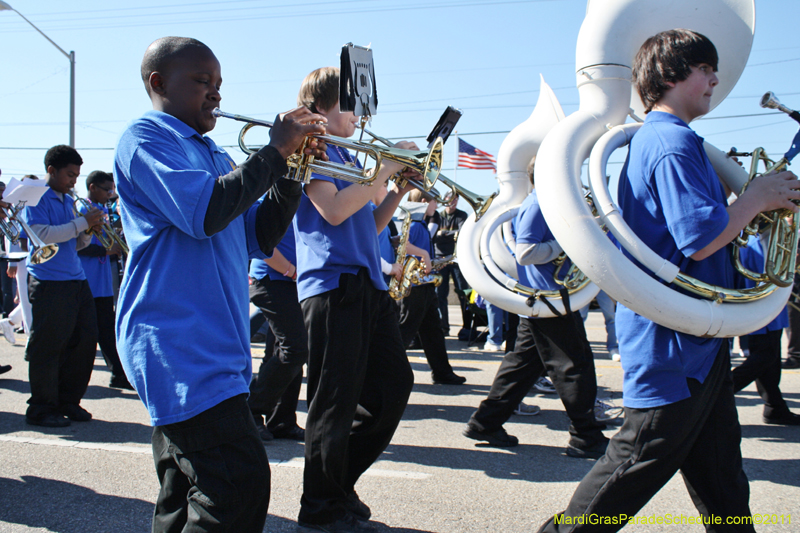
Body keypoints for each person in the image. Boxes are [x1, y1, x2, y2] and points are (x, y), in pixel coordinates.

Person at [537, 29, 800, 532]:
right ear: (673, 74)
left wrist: (757, 206)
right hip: (675, 347)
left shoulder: (677, 141)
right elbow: (700, 239)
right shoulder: (671, 142)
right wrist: (758, 197)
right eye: (706, 69)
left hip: (699, 345)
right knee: (625, 476)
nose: (716, 80)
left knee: (724, 483)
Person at [113, 37, 327, 532]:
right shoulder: (147, 137)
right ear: (159, 83)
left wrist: (293, 173)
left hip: (213, 342)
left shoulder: (212, 151)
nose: (215, 95)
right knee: (236, 486)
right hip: (177, 340)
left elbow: (258, 232)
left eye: (219, 85)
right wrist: (274, 151)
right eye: (202, 82)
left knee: (184, 490)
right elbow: (206, 212)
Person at [294, 66, 416, 532]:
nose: (359, 116)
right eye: (350, 106)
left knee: (392, 388)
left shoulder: (351, 153)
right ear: (323, 108)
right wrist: (381, 172)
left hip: (368, 285)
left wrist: (395, 191)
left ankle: (337, 486)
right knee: (334, 401)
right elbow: (332, 209)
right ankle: (320, 508)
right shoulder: (315, 149)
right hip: (332, 287)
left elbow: (370, 223)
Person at [464, 159, 608, 458]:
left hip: (545, 300)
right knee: (574, 366)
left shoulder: (545, 201)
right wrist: (566, 244)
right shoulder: (540, 203)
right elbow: (526, 252)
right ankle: (586, 436)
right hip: (548, 299)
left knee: (523, 366)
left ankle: (485, 422)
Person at [21, 145, 104, 428]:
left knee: (84, 342)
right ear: (52, 171)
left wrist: (89, 230)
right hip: (49, 281)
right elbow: (42, 235)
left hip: (76, 279)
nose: (73, 181)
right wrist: (83, 223)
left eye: (77, 176)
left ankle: (69, 400)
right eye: (69, 175)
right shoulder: (36, 198)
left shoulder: (68, 199)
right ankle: (42, 407)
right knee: (50, 346)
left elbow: (75, 242)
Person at [398, 190, 466, 385]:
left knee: (433, 333)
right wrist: (426, 257)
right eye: (434, 202)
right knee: (404, 331)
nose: (437, 207)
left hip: (424, 285)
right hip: (415, 287)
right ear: (423, 202)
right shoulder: (416, 223)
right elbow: (403, 245)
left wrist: (435, 261)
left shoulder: (420, 223)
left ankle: (442, 372)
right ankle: (381, 371)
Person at [247, 222, 307, 442]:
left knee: (284, 351)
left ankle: (281, 421)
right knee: (296, 349)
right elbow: (260, 238)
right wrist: (291, 271)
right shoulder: (275, 188)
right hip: (274, 279)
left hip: (290, 281)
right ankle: (250, 409)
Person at [732, 234, 800, 425]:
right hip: (761, 311)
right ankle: (720, 391)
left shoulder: (763, 240)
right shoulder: (755, 242)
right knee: (764, 357)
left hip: (768, 312)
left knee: (771, 361)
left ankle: (774, 407)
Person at [76, 170, 132, 391]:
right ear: (92, 188)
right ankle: (117, 373)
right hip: (88, 279)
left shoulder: (101, 209)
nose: (111, 194)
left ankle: (118, 373)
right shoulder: (84, 209)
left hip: (101, 281)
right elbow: (80, 246)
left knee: (106, 328)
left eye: (112, 190)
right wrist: (107, 250)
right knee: (97, 330)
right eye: (107, 190)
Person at [431, 195, 471, 338]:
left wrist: (444, 233)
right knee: (441, 294)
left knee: (463, 293)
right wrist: (448, 235)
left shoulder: (461, 215)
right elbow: (434, 236)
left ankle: (466, 327)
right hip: (440, 259)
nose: (452, 203)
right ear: (444, 200)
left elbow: (462, 233)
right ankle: (444, 327)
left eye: (455, 200)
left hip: (456, 259)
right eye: (450, 200)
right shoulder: (438, 215)